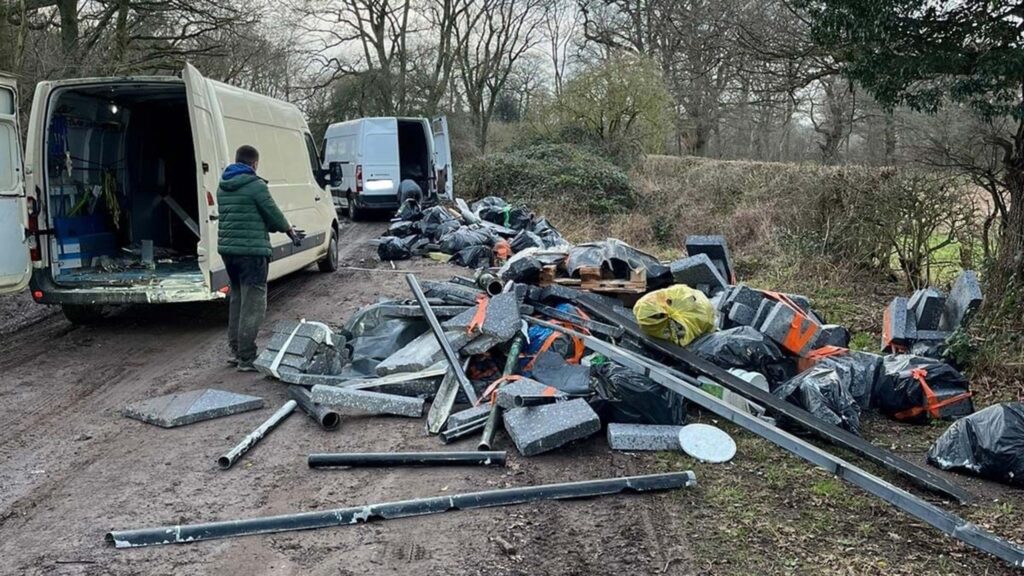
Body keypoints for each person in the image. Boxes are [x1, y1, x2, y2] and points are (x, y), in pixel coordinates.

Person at [217, 145, 303, 372]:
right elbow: (272, 214)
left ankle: (236, 351)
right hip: (252, 253)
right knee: (253, 304)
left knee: (237, 298)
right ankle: (247, 357)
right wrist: (290, 231)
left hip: (229, 252)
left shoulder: (223, 185)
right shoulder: (255, 186)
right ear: (254, 164)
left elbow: (248, 216)